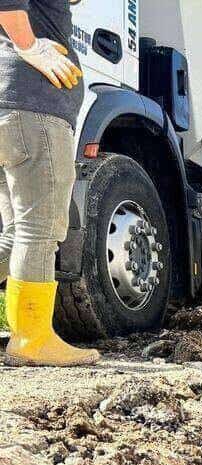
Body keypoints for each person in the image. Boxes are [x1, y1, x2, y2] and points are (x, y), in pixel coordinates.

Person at [0, 0, 98, 366]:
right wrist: (31, 47)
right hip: (35, 112)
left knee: (18, 233)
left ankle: (31, 334)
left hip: (15, 109)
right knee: (39, 229)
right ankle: (32, 339)